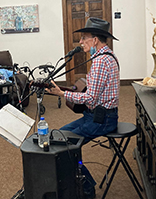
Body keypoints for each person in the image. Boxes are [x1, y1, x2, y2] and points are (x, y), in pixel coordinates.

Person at [46, 17, 120, 199]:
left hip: (102, 120)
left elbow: (90, 97)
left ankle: (87, 188)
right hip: (94, 116)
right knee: (58, 136)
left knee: (62, 145)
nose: (80, 42)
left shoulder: (101, 61)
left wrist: (63, 94)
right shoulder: (103, 57)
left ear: (95, 40)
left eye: (84, 38)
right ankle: (74, 183)